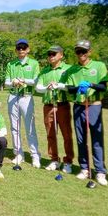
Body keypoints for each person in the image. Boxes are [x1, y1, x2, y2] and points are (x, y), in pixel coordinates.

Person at [63, 40, 108, 185]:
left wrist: (90, 85)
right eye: (78, 51)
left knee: (96, 138)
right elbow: (69, 88)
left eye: (84, 51)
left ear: (89, 52)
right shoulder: (72, 69)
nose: (81, 54)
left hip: (94, 105)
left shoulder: (99, 66)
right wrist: (78, 88)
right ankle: (84, 168)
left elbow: (103, 87)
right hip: (78, 105)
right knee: (81, 139)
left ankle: (100, 171)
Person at [35, 45, 75, 173]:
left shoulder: (68, 69)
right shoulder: (44, 71)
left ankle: (68, 161)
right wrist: (47, 87)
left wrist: (58, 86)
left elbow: (71, 85)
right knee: (51, 134)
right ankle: (54, 160)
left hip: (62, 104)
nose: (51, 56)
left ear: (61, 55)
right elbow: (38, 87)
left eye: (54, 54)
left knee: (66, 135)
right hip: (48, 105)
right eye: (49, 54)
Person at [4, 38, 41, 168]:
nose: (21, 50)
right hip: (13, 96)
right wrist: (13, 82)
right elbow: (6, 83)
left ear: (28, 49)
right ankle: (18, 154)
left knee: (30, 127)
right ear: (16, 50)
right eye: (19, 48)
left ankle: (35, 155)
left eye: (23, 48)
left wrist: (24, 80)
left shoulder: (34, 63)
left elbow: (36, 81)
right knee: (14, 127)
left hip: (27, 97)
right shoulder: (11, 64)